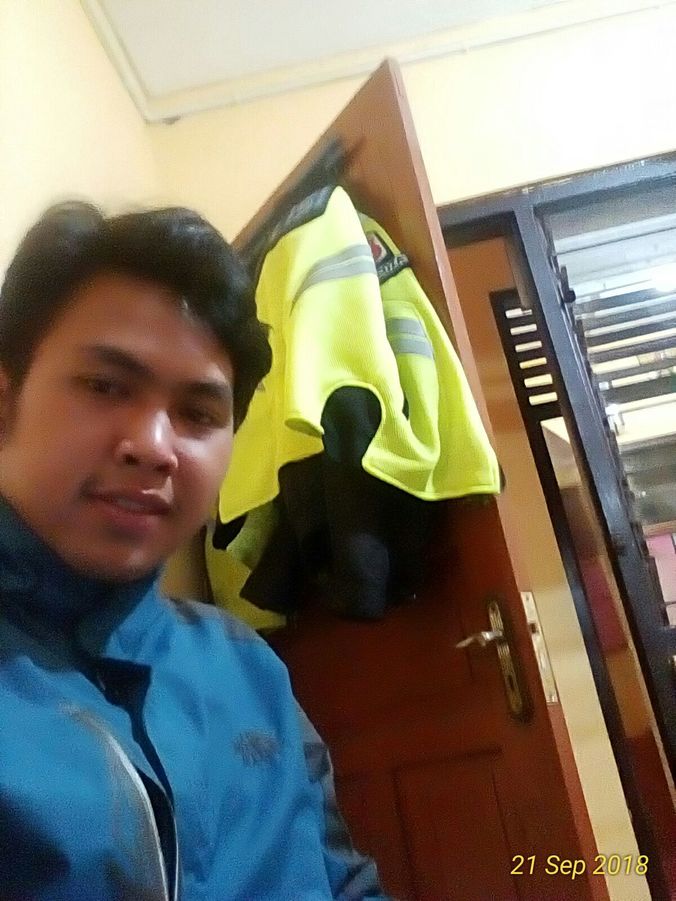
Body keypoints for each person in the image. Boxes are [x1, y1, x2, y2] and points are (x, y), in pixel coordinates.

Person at [0, 203, 388, 901]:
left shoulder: (244, 667)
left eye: (199, 414)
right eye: (105, 386)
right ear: (6, 403)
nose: (154, 446)